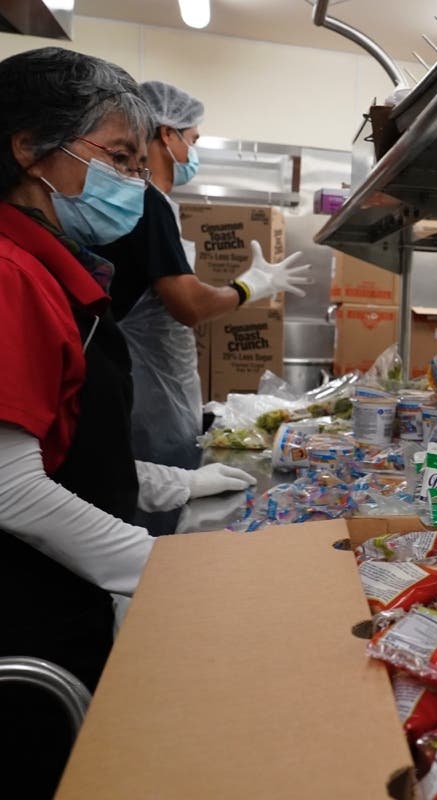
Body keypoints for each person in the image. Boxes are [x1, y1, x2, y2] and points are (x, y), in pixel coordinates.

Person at [0, 48, 255, 797]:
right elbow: (10, 488)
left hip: (64, 600)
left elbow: (62, 447)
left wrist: (179, 482)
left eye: (139, 165)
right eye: (118, 159)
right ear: (29, 147)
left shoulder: (52, 268)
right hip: (30, 634)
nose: (134, 186)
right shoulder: (11, 273)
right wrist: (162, 569)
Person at [96, 81, 311, 470]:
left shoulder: (153, 204)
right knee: (158, 502)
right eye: (192, 140)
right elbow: (189, 305)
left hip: (158, 387)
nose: (192, 152)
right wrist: (249, 287)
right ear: (166, 134)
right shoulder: (147, 203)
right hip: (147, 395)